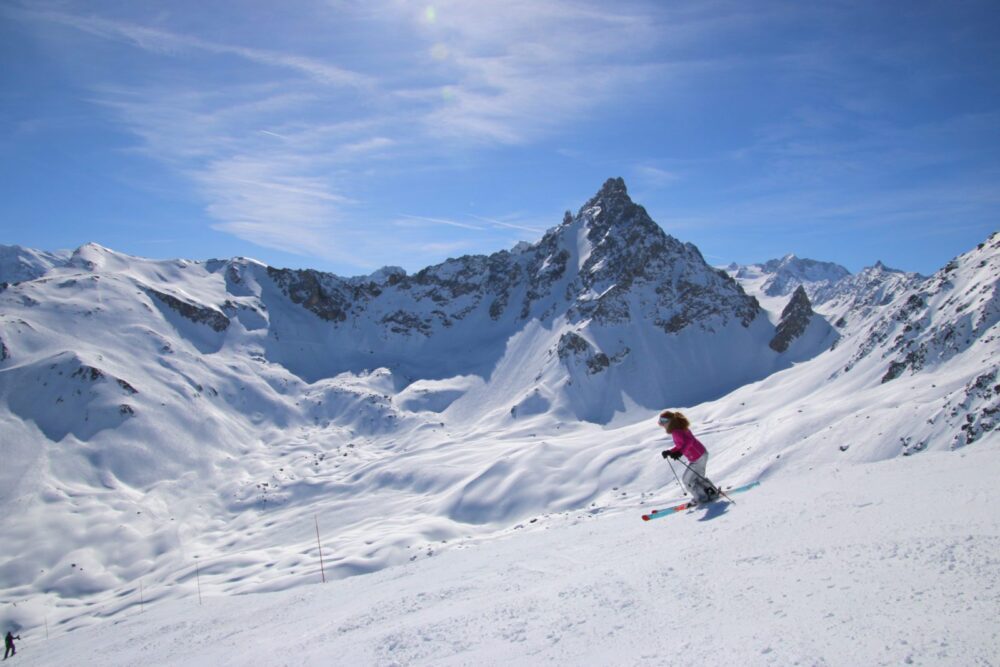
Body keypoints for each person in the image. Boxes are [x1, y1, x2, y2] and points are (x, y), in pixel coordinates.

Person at [658, 410, 719, 505]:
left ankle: (701, 498)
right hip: (700, 455)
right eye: (661, 420)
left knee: (687, 480)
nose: (662, 423)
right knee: (698, 478)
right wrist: (670, 452)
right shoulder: (680, 428)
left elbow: (689, 441)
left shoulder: (676, 432)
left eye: (664, 420)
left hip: (697, 457)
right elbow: (681, 444)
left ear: (670, 421)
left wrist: (680, 452)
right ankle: (712, 493)